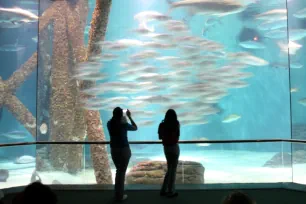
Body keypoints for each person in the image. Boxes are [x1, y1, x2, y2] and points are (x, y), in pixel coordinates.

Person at [107, 107, 138, 201]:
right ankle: (119, 196)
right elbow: (135, 128)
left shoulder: (109, 123)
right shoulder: (123, 124)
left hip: (114, 149)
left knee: (118, 171)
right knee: (122, 172)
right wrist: (129, 117)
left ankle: (117, 194)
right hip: (124, 149)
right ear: (121, 114)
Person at [158, 109, 180, 198]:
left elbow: (160, 137)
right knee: (173, 170)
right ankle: (171, 191)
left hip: (166, 148)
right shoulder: (176, 124)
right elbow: (178, 136)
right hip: (174, 147)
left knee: (169, 169)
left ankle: (163, 189)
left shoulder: (162, 125)